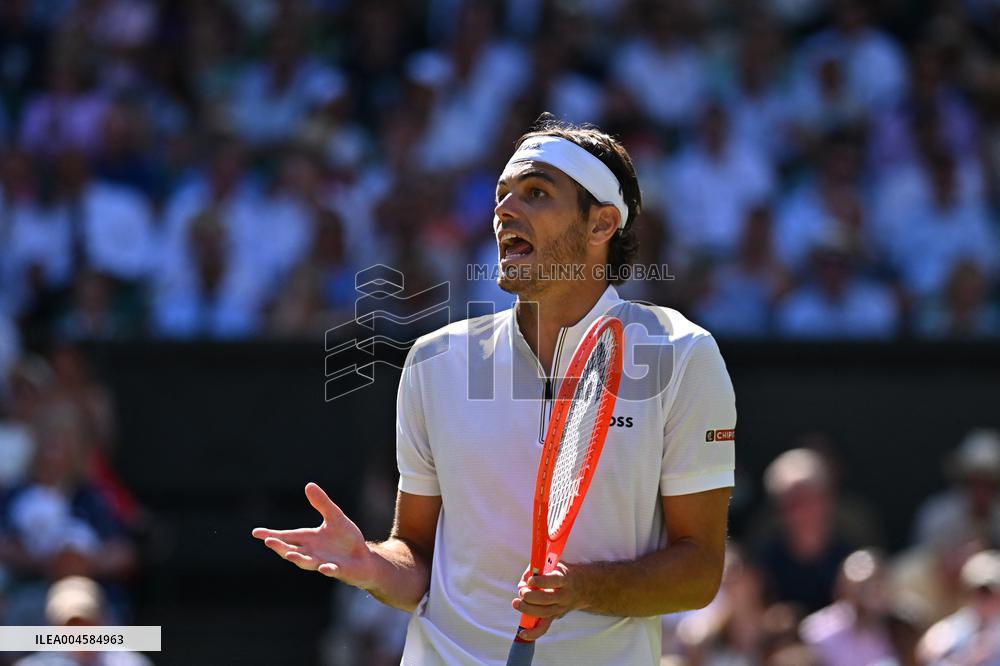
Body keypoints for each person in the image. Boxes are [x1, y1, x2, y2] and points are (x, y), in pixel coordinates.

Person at [253, 115, 736, 664]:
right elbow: (417, 556)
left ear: (601, 224)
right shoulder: (434, 360)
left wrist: (581, 589)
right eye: (502, 195)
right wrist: (372, 564)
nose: (504, 211)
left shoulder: (683, 355)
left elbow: (698, 572)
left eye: (535, 193)